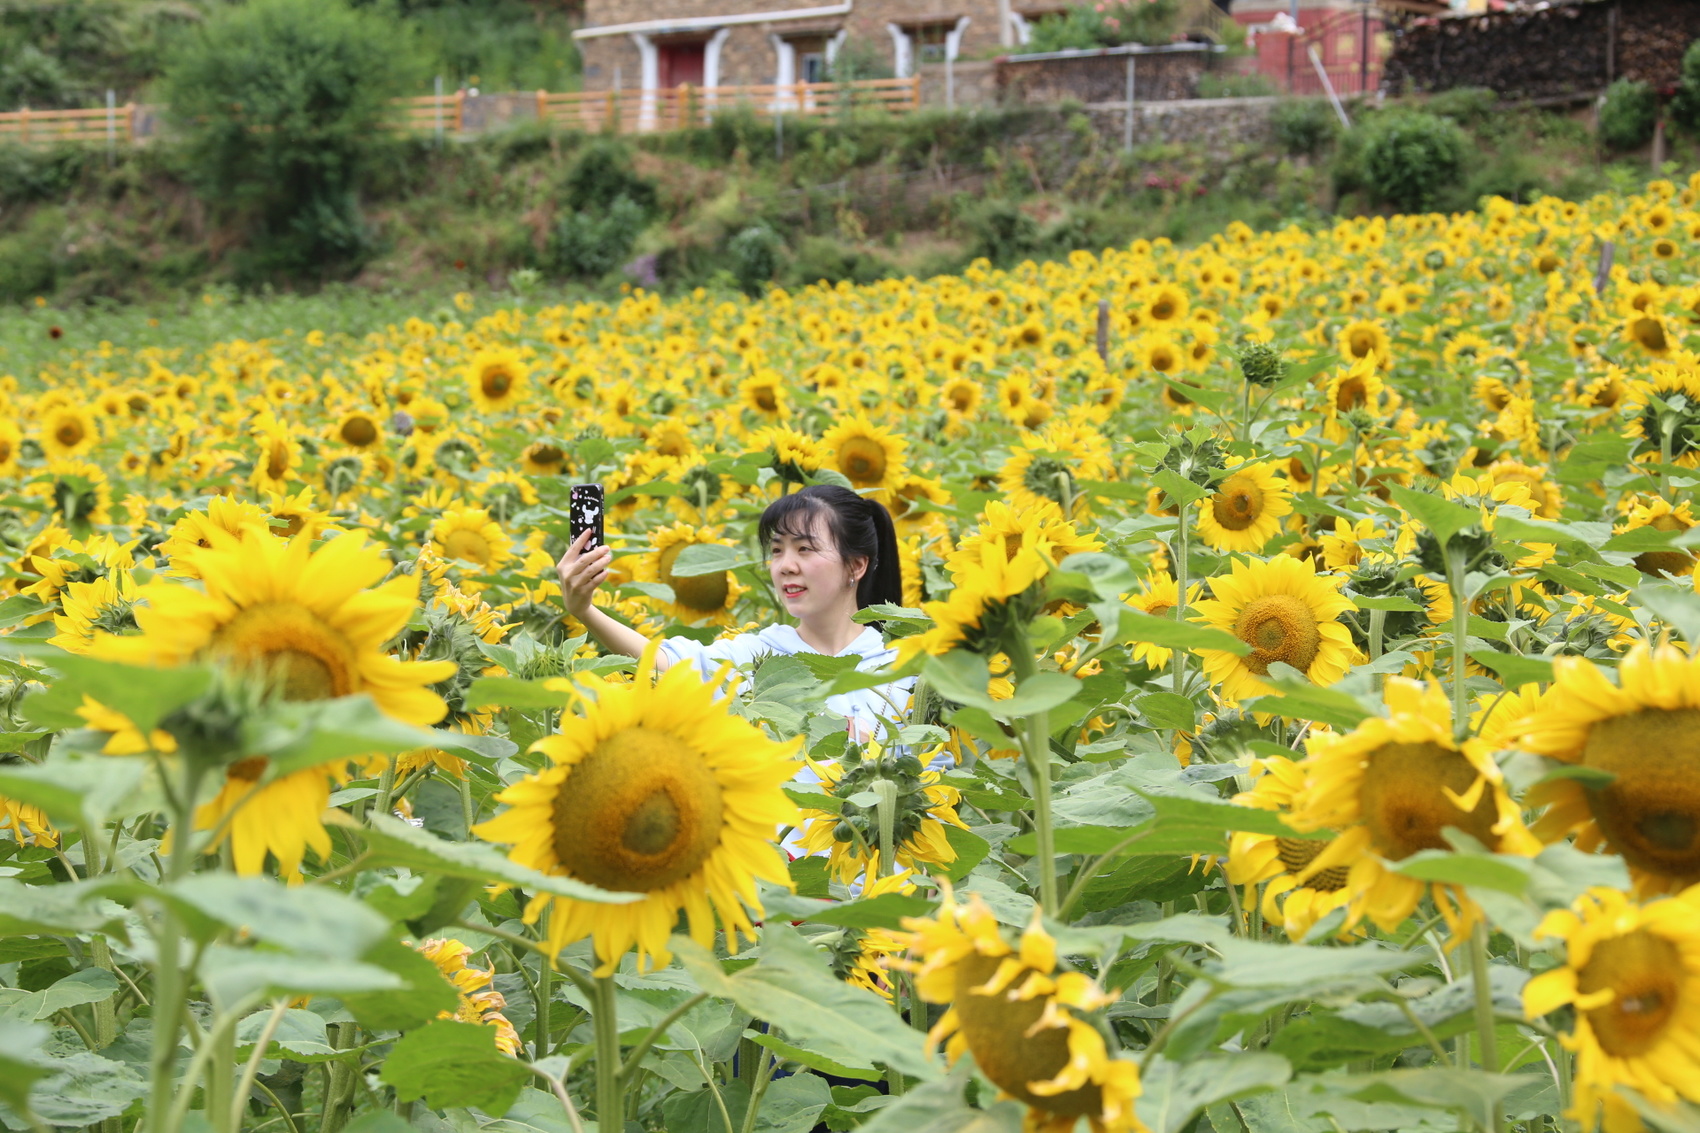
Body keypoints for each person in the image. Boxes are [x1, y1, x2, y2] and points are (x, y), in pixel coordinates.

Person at [554, 484, 915, 739]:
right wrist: (585, 609)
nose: (785, 566)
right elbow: (661, 661)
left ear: (856, 566)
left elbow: (937, 778)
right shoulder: (757, 658)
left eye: (804, 549)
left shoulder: (907, 667)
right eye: (777, 551)